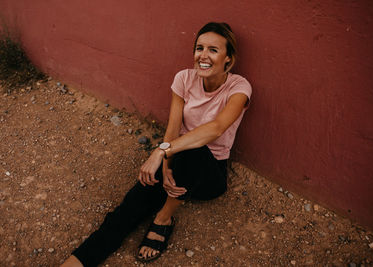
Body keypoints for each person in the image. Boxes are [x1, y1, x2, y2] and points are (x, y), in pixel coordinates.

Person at [61, 21, 252, 266]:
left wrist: (161, 151)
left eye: (213, 50)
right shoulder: (184, 78)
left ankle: (163, 219)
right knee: (129, 207)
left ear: (229, 59)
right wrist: (165, 165)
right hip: (176, 157)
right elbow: (173, 129)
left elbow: (215, 129)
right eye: (199, 48)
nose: (203, 56)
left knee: (195, 152)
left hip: (209, 173)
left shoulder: (239, 87)